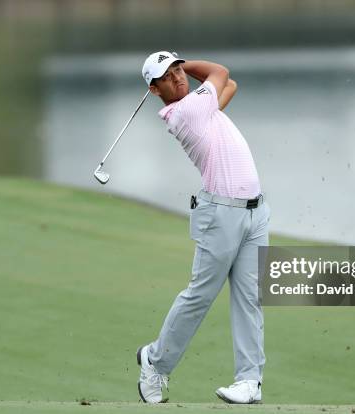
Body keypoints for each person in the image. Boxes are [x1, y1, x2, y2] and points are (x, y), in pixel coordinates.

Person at [136, 51, 270, 404]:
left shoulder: (201, 107)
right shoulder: (185, 112)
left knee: (250, 298)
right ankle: (155, 363)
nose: (178, 77)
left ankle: (249, 381)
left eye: (179, 70)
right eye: (168, 76)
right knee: (200, 296)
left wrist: (177, 64)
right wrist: (189, 59)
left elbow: (230, 85)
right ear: (154, 89)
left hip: (256, 212)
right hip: (220, 214)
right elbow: (221, 72)